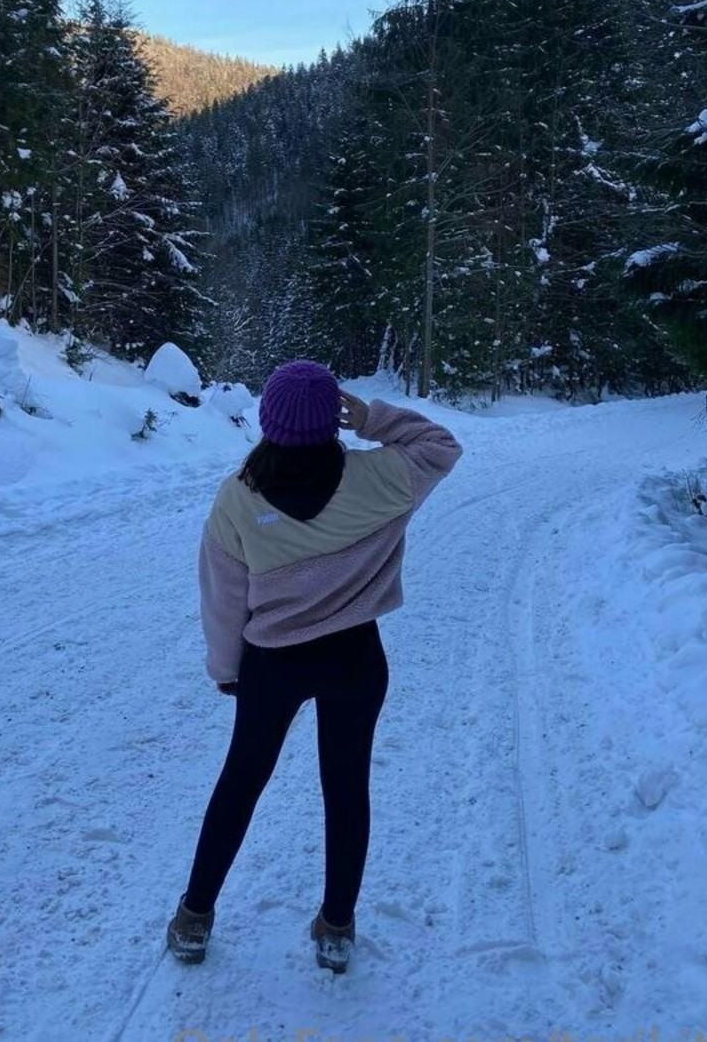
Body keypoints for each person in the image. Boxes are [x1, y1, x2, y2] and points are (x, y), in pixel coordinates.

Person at [166, 359, 463, 973]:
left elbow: (223, 598)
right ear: (335, 420)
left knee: (240, 782)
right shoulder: (382, 478)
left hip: (273, 663)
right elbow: (440, 445)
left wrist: (226, 667)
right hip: (355, 657)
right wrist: (374, 418)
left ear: (266, 420)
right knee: (347, 788)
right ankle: (336, 929)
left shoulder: (238, 497)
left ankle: (194, 917)